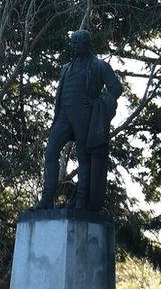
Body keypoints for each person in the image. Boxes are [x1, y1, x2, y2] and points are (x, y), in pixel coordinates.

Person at [33, 29, 122, 211]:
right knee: (50, 153)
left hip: (85, 116)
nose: (73, 46)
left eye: (76, 42)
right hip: (64, 116)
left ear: (86, 44)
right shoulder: (67, 67)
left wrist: (98, 102)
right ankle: (47, 199)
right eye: (72, 42)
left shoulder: (99, 66)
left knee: (84, 157)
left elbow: (116, 89)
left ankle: (82, 200)